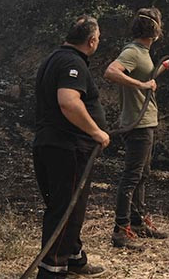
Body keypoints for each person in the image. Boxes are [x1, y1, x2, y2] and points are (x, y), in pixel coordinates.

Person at [32, 15, 109, 278]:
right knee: (66, 209)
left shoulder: (54, 58)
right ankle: (52, 269)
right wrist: (96, 132)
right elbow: (68, 102)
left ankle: (74, 258)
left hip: (50, 144)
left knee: (70, 206)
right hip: (66, 147)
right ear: (92, 40)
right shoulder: (71, 62)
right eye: (98, 38)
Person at [103, 7, 169, 249]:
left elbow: (147, 77)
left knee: (141, 174)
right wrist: (141, 84)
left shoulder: (143, 53)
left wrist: (164, 67)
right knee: (131, 176)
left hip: (144, 121)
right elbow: (111, 72)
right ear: (155, 30)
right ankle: (120, 231)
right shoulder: (133, 52)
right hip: (137, 123)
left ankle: (137, 223)